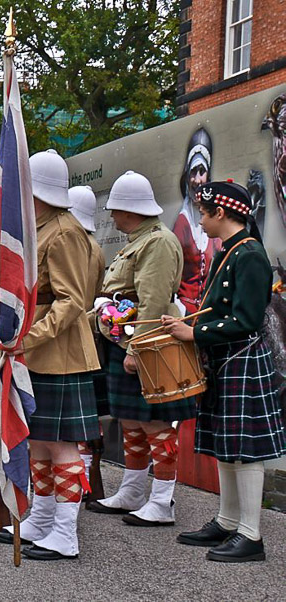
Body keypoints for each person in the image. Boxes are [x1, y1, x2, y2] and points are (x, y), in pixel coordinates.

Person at [165, 180, 285, 562]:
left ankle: (251, 535)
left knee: (245, 448)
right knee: (227, 445)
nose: (199, 220)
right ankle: (228, 520)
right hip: (226, 358)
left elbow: (247, 320)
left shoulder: (248, 254)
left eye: (203, 212)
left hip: (242, 357)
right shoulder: (228, 251)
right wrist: (188, 322)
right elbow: (218, 308)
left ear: (221, 213)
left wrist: (194, 331)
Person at [2, 151, 100, 561]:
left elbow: (70, 301)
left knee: (62, 446)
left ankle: (65, 532)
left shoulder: (64, 232)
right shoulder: (39, 228)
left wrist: (29, 339)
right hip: (39, 352)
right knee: (40, 441)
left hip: (59, 353)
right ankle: (41, 520)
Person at [88, 171, 194, 526]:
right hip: (126, 341)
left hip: (146, 345)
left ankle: (162, 501)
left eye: (116, 209)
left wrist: (138, 348)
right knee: (132, 421)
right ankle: (133, 492)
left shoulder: (157, 242)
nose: (113, 216)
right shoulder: (141, 239)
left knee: (157, 424)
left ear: (128, 209)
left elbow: (153, 300)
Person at [69, 185, 108, 495]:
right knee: (82, 421)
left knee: (75, 424)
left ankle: (80, 483)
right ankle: (84, 481)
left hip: (70, 337)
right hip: (85, 334)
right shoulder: (92, 245)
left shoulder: (75, 243)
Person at [174, 129, 221, 315]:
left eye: (202, 172)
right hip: (185, 313)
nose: (197, 180)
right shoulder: (182, 223)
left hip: (209, 312)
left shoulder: (215, 224)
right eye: (193, 172)